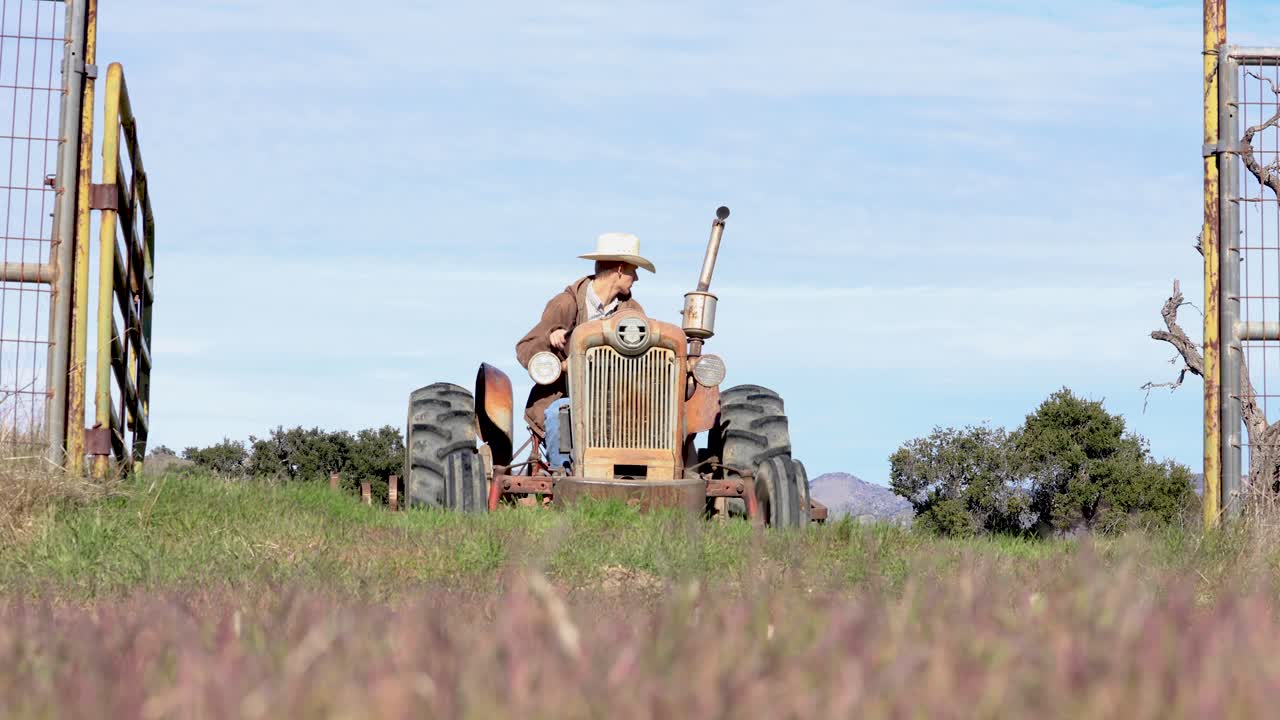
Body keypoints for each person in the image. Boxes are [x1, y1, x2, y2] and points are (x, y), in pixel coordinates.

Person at [515, 232, 656, 446]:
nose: (636, 278)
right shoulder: (565, 304)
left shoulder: (633, 312)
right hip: (568, 395)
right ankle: (560, 472)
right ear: (619, 270)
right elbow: (526, 348)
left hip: (618, 399)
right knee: (557, 415)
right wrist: (551, 343)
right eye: (633, 271)